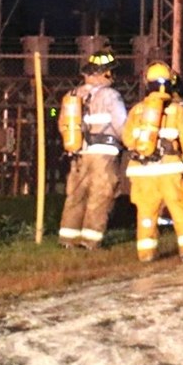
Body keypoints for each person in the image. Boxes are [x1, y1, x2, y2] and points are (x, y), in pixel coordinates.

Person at [122, 62, 183, 262]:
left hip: (141, 172)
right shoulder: (177, 111)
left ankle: (146, 254)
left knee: (146, 213)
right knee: (180, 209)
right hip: (170, 170)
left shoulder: (137, 111)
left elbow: (127, 140)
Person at [57, 51, 127, 250]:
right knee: (100, 197)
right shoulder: (112, 96)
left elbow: (62, 123)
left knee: (75, 196)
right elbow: (121, 125)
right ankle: (90, 242)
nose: (113, 76)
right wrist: (135, 143)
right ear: (104, 73)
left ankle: (67, 240)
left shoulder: (72, 95)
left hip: (78, 153)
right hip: (104, 155)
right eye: (111, 72)